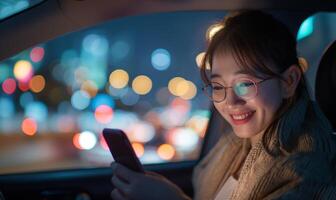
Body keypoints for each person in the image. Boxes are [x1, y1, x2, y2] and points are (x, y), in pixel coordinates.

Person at [110, 10, 336, 200]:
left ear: (289, 81)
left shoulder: (305, 168)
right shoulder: (238, 144)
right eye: (218, 86)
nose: (230, 101)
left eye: (245, 84)